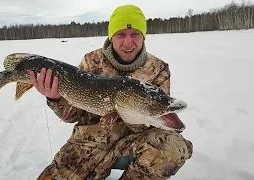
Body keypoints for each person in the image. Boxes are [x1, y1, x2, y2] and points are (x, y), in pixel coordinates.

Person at [30, 4, 193, 180]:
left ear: (143, 36)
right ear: (111, 36)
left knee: (172, 146)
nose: (128, 42)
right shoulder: (92, 61)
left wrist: (129, 112)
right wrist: (55, 98)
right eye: (121, 34)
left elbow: (155, 123)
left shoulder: (158, 69)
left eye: (135, 34)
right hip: (88, 144)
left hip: (131, 145)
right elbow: (72, 116)